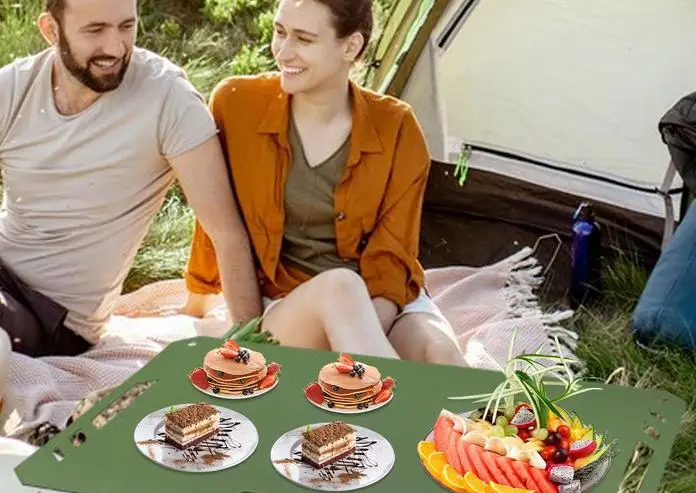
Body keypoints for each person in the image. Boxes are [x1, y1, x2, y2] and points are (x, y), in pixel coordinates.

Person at [183, 0, 467, 365]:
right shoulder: (235, 104)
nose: (284, 52)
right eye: (280, 32)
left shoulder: (397, 127)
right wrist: (221, 318)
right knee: (339, 286)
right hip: (281, 305)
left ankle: (507, 423)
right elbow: (218, 228)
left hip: (375, 301)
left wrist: (359, 333)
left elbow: (391, 259)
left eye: (303, 39)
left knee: (439, 354)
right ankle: (391, 404)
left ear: (350, 46)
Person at [0, 0, 261, 359]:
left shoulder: (167, 99)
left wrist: (252, 351)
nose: (115, 47)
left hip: (54, 320)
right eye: (95, 30)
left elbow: (227, 235)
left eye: (126, 26)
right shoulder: (13, 87)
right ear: (50, 30)